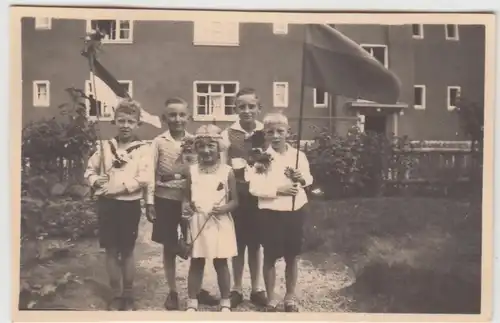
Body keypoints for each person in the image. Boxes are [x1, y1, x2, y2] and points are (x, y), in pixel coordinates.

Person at [145, 97, 218, 310]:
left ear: (189, 116)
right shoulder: (159, 142)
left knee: (195, 243)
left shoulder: (197, 141)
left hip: (192, 199)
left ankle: (196, 289)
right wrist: (149, 201)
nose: (177, 119)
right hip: (165, 199)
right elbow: (151, 172)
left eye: (182, 115)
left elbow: (203, 170)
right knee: (169, 245)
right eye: (172, 115)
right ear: (164, 118)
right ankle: (173, 291)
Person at [84, 99, 152, 311]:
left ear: (138, 124)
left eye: (130, 121)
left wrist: (119, 188)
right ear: (114, 121)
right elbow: (89, 171)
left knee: (127, 249)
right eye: (121, 120)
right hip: (107, 205)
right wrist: (96, 181)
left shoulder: (143, 149)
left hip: (128, 205)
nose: (125, 125)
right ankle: (116, 294)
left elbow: (144, 177)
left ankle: (128, 294)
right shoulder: (104, 147)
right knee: (111, 250)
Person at [247, 112, 313, 312]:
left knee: (292, 255)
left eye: (280, 131)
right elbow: (254, 188)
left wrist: (300, 178)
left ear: (288, 132)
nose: (275, 136)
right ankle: (271, 296)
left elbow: (309, 180)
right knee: (270, 255)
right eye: (270, 132)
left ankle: (290, 296)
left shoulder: (298, 155)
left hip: (294, 210)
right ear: (265, 134)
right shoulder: (261, 158)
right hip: (271, 212)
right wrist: (278, 190)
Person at [220, 88, 268, 309]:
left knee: (256, 242)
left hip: (260, 194)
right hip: (238, 193)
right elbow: (222, 166)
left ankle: (257, 288)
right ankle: (237, 288)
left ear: (259, 108)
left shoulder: (267, 131)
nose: (247, 111)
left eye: (251, 106)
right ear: (235, 109)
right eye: (242, 107)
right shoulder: (228, 134)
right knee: (238, 242)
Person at [183, 124, 239, 312]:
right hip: (198, 220)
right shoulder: (191, 171)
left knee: (221, 262)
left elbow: (235, 201)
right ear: (196, 148)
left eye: (211, 146)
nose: (206, 150)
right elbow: (186, 196)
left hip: (219, 222)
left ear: (219, 147)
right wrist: (186, 206)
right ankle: (192, 301)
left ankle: (225, 301)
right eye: (201, 146)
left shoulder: (227, 171)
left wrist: (224, 208)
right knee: (197, 261)